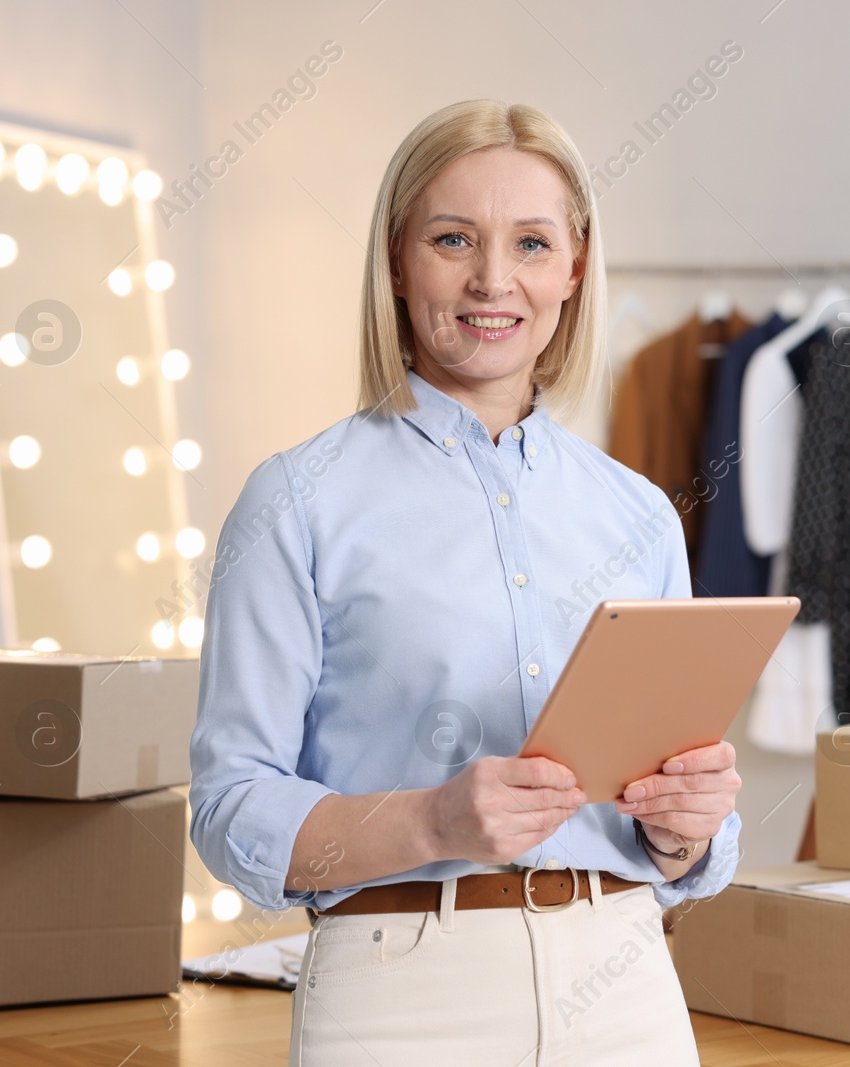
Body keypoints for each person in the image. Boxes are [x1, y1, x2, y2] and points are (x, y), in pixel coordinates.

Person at [187, 99, 742, 1065]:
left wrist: (689, 830)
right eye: (454, 239)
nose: (494, 279)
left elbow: (679, 820)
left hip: (628, 985)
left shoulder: (641, 513)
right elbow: (231, 810)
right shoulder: (297, 501)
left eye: (531, 242)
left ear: (573, 268)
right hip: (403, 994)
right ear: (398, 263)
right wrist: (431, 819)